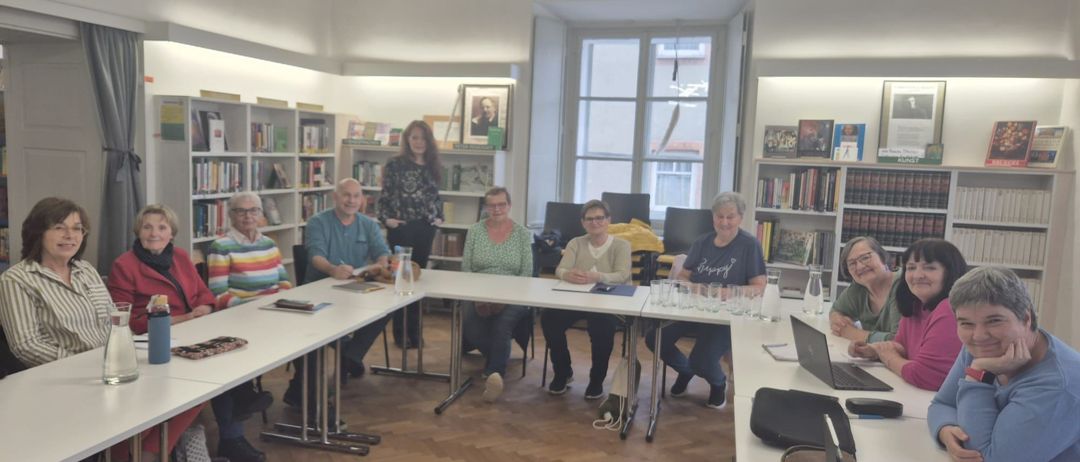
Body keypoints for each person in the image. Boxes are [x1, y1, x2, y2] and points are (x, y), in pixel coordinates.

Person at [0, 198, 201, 461]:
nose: (70, 236)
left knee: (188, 393)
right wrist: (92, 365)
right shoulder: (16, 279)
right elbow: (26, 345)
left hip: (109, 369)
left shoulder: (85, 270)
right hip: (64, 381)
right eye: (60, 227)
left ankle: (141, 453)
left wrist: (124, 354)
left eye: (77, 228)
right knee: (149, 405)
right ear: (38, 231)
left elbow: (114, 321)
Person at [108, 203, 269, 462]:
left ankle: (234, 421)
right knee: (207, 380)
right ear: (138, 231)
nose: (154, 233)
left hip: (194, 332)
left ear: (172, 233)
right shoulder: (124, 265)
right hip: (152, 342)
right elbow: (127, 320)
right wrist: (181, 318)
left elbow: (204, 294)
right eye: (147, 227)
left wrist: (204, 308)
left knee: (228, 360)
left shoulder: (181, 257)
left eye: (162, 227)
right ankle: (153, 450)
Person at [928, 267, 1080, 462]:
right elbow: (942, 404)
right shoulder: (984, 348)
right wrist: (945, 429)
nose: (979, 335)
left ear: (1026, 319)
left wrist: (978, 374)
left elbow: (989, 459)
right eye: (966, 323)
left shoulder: (1060, 385)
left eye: (994, 321)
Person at [646, 192, 766, 409]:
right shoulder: (702, 242)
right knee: (654, 338)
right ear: (713, 218)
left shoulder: (749, 245)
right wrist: (695, 287)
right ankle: (685, 370)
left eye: (730, 217)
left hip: (725, 315)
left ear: (740, 217)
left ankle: (718, 383)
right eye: (720, 216)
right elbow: (683, 276)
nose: (725, 222)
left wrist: (730, 292)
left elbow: (759, 286)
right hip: (694, 308)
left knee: (702, 360)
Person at [287, 178, 391, 406]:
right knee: (328, 322)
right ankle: (348, 355)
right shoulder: (318, 222)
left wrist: (380, 264)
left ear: (362, 199)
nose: (351, 200)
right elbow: (315, 256)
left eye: (356, 196)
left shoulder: (368, 224)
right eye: (346, 195)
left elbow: (383, 253)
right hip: (320, 291)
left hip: (356, 289)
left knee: (388, 307)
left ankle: (349, 356)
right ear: (335, 197)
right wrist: (333, 269)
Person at [849, 238, 967, 391]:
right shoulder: (915, 304)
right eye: (911, 268)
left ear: (950, 272)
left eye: (929, 268)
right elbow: (903, 347)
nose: (917, 275)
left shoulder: (950, 309)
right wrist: (874, 350)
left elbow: (926, 376)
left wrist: (889, 358)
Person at [542, 200, 630, 398]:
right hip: (577, 300)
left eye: (600, 218)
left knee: (601, 326)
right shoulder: (576, 243)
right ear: (583, 223)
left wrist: (596, 276)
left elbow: (622, 275)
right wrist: (567, 275)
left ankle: (596, 379)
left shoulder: (621, 245)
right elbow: (560, 269)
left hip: (608, 302)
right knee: (549, 319)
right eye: (589, 219)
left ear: (609, 220)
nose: (595, 222)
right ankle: (563, 373)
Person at [461, 186, 533, 403]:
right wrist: (478, 297)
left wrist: (504, 299)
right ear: (486, 207)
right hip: (478, 292)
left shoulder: (522, 233)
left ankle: (495, 373)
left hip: (515, 294)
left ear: (509, 206)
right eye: (492, 205)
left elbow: (527, 272)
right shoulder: (474, 231)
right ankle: (497, 357)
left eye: (501, 204)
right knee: (470, 324)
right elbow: (466, 269)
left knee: (502, 324)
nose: (497, 209)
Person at [377, 120, 443, 349]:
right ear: (407, 139)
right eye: (414, 137)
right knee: (401, 280)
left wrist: (439, 217)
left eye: (423, 138)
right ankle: (400, 333)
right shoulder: (395, 164)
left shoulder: (433, 165)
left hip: (425, 228)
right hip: (401, 229)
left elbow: (436, 197)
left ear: (428, 141)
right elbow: (385, 195)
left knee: (418, 279)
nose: (418, 142)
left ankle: (415, 331)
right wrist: (387, 220)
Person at [207, 192, 292, 309]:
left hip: (275, 307)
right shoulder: (221, 246)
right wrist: (254, 307)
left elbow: (284, 282)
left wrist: (280, 302)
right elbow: (219, 294)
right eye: (241, 211)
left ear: (261, 214)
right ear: (231, 215)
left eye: (254, 210)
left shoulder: (269, 243)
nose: (248, 216)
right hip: (242, 312)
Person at [829, 236, 902, 343]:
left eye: (865, 258)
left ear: (882, 257)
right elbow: (836, 310)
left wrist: (852, 333)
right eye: (852, 263)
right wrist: (837, 319)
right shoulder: (859, 288)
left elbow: (899, 340)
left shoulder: (902, 285)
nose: (859, 267)